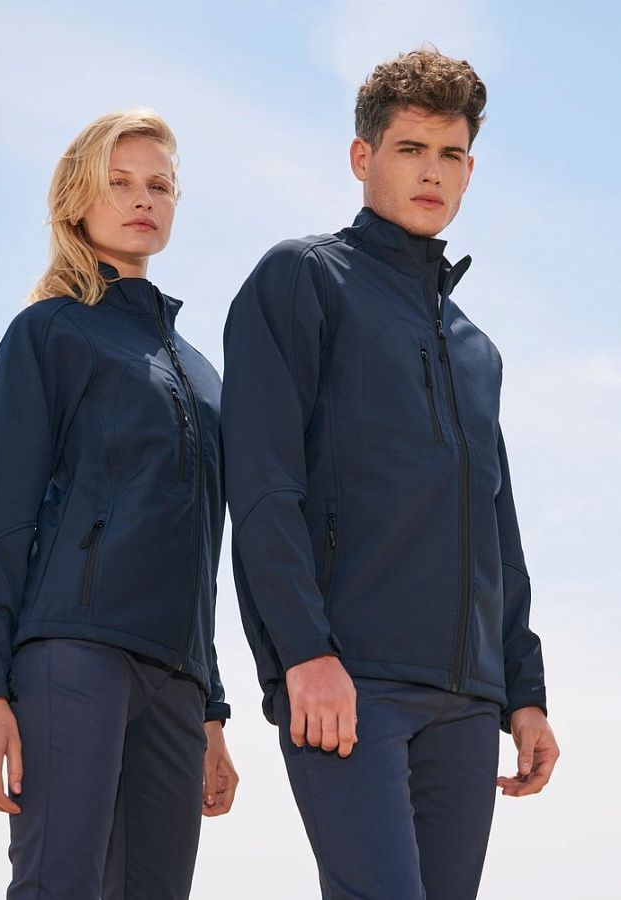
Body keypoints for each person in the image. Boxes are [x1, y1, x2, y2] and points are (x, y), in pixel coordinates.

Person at [221, 48, 559, 899]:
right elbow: (261, 486)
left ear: (470, 169)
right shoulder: (303, 279)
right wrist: (302, 652)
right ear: (361, 156)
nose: (431, 172)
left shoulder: (475, 348)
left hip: (467, 699)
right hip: (350, 679)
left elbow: (497, 534)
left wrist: (522, 692)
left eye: (450, 154)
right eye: (410, 149)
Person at [0, 109, 238, 900]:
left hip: (176, 678)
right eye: (119, 183)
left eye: (159, 185)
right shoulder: (49, 333)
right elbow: (3, 523)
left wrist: (211, 711)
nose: (142, 199)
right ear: (77, 199)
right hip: (74, 655)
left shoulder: (202, 373)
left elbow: (201, 549)